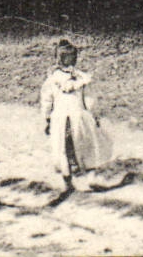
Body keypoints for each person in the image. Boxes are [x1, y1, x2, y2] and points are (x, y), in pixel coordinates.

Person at [41, 39, 113, 192]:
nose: (73, 60)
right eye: (72, 57)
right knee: (81, 146)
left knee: (68, 148)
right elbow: (89, 101)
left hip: (66, 119)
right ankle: (82, 177)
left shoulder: (57, 79)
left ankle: (71, 180)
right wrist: (94, 115)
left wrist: (47, 118)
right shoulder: (75, 78)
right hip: (75, 118)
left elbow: (47, 102)